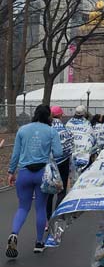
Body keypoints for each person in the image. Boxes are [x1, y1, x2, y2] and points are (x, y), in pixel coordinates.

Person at [6, 105, 63, 258]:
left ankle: (14, 234)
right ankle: (39, 243)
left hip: (24, 173)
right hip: (42, 174)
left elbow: (15, 154)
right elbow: (58, 152)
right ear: (48, 116)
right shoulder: (51, 131)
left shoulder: (23, 130)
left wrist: (11, 172)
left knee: (23, 207)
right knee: (40, 208)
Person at [46, 106, 74, 223]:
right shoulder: (65, 128)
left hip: (50, 162)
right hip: (64, 161)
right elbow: (71, 143)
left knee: (49, 191)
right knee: (61, 190)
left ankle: (47, 218)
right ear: (61, 115)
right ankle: (58, 216)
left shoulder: (47, 127)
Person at [66, 105, 97, 172]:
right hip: (84, 154)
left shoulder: (69, 123)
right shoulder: (87, 123)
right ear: (84, 113)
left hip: (71, 154)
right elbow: (93, 137)